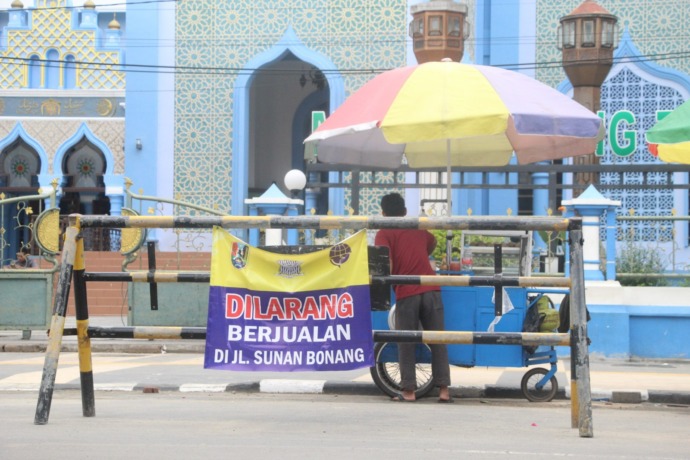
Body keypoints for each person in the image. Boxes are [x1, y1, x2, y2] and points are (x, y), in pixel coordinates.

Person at [375, 193, 452, 403]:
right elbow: (432, 241)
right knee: (438, 340)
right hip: (431, 289)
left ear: (382, 213)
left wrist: (384, 281)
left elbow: (387, 264)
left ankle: (408, 391)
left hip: (407, 292)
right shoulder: (417, 228)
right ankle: (444, 390)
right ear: (405, 211)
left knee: (406, 341)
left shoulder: (383, 233)